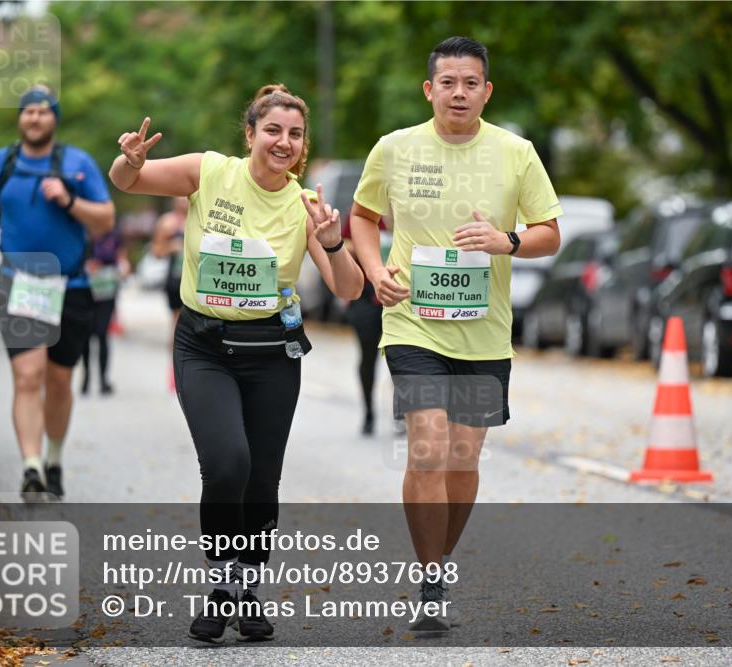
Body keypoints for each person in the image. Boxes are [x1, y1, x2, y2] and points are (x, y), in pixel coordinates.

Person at [108, 84, 363, 644]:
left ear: (302, 145)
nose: (283, 142)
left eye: (294, 135)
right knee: (228, 463)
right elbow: (128, 181)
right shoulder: (210, 172)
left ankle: (245, 588)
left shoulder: (304, 206)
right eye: (272, 130)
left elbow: (349, 289)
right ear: (250, 134)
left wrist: (333, 241)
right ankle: (220, 581)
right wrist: (128, 162)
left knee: (262, 477)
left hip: (272, 353)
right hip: (203, 346)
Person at [350, 36, 562, 633]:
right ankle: (430, 582)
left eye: (471, 83)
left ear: (486, 91)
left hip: (485, 333)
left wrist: (508, 241)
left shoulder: (516, 153)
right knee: (428, 445)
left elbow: (550, 232)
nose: (459, 93)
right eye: (448, 83)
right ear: (430, 89)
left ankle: (440, 563)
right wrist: (375, 269)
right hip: (414, 323)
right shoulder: (394, 149)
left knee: (464, 459)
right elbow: (363, 219)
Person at [0, 85, 116, 500]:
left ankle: (53, 459)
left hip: (70, 285)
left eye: (43, 111)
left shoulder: (78, 163)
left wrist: (69, 200)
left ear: (55, 118)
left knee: (59, 381)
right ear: (19, 119)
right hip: (18, 281)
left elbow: (105, 220)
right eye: (27, 111)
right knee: (27, 375)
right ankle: (31, 467)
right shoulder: (2, 162)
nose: (34, 118)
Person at [340, 212, 392, 435]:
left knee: (403, 356)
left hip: (401, 292)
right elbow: (342, 244)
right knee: (368, 356)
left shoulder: (416, 202)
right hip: (367, 295)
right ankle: (369, 411)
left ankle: (403, 411)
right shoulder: (364, 206)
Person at [80, 227, 130, 395]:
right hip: (85, 290)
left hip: (107, 289)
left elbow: (121, 258)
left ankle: (103, 380)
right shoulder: (82, 232)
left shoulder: (113, 235)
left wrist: (123, 269)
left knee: (102, 332)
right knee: (85, 334)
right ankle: (86, 378)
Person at [151, 196, 188, 390]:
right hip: (175, 280)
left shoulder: (201, 216)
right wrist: (171, 247)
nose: (183, 200)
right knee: (177, 325)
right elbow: (156, 251)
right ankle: (174, 373)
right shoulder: (167, 222)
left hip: (197, 281)